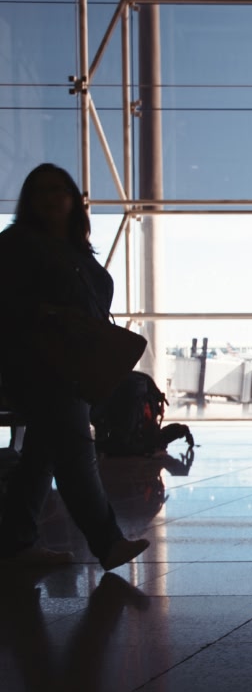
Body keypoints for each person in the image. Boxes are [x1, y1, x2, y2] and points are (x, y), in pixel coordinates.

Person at [0, 164, 150, 571]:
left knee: (42, 453)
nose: (51, 198)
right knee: (74, 449)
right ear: (29, 200)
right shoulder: (19, 245)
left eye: (59, 190)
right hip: (43, 365)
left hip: (68, 364)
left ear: (73, 199)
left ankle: (14, 543)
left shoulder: (72, 249)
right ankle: (107, 542)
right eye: (42, 191)